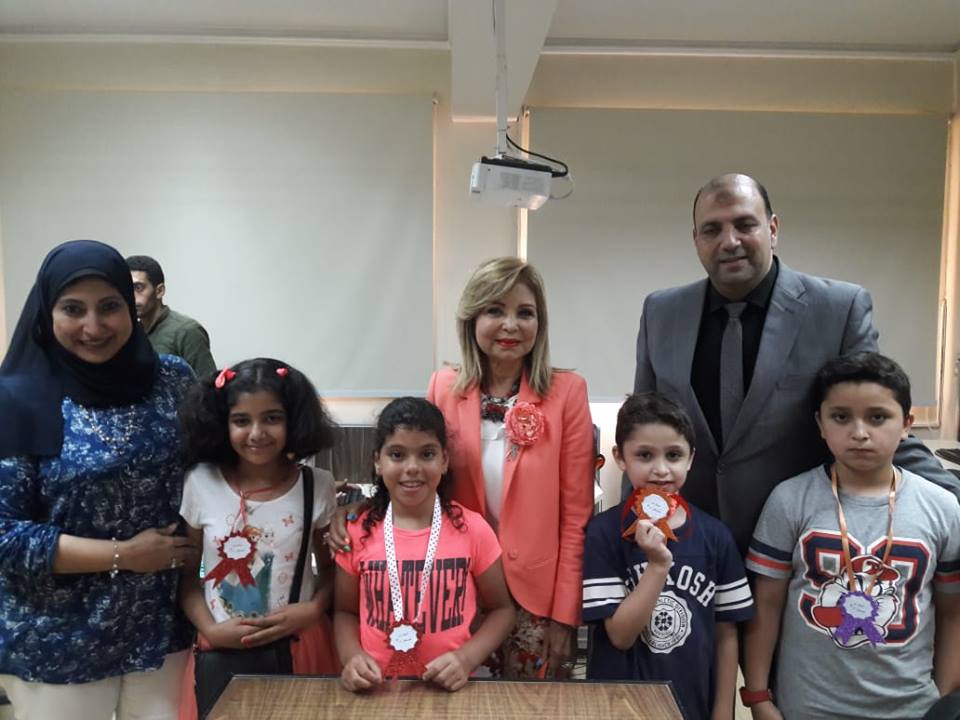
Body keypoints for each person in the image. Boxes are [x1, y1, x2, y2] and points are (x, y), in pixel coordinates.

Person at [633, 173, 959, 554]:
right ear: (696, 239)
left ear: (772, 229)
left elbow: (876, 419)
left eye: (744, 224)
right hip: (685, 546)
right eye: (712, 229)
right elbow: (639, 432)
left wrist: (953, 492)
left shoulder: (838, 309)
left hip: (799, 549)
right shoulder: (661, 312)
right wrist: (626, 533)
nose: (729, 241)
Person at [330, 257, 595, 678]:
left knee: (531, 705)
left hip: (536, 598)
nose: (510, 325)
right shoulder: (444, 387)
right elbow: (418, 472)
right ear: (472, 318)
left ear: (540, 324)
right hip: (453, 590)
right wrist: (354, 512)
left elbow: (576, 515)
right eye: (495, 310)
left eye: (525, 313)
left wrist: (566, 614)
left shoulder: (567, 393)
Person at [0, 240, 200, 720]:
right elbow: (4, 534)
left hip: (159, 626)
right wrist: (125, 555)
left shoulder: (173, 380)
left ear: (131, 307)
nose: (93, 326)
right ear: (47, 312)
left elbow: (214, 467)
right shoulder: (16, 398)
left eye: (110, 306)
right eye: (73, 309)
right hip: (58, 636)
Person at [743, 352, 960, 719]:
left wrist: (944, 697)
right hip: (809, 708)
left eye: (878, 417)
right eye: (841, 417)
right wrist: (758, 695)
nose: (859, 433)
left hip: (912, 708)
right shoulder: (789, 499)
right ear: (820, 423)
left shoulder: (942, 507)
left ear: (906, 424)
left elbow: (952, 613)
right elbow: (766, 605)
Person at [177, 358, 340, 719]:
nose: (256, 433)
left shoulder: (316, 486)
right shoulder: (200, 483)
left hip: (300, 645)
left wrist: (313, 609)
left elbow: (332, 571)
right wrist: (210, 629)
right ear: (222, 422)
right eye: (241, 420)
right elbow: (187, 578)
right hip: (221, 650)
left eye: (272, 418)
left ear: (293, 420)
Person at [583, 393, 753, 719]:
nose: (660, 470)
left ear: (691, 458)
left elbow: (726, 634)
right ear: (620, 457)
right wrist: (658, 566)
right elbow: (620, 635)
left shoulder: (716, 536)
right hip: (619, 707)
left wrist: (723, 711)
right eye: (644, 455)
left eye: (674, 455)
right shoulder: (604, 532)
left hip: (692, 705)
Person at [333, 397, 515, 692]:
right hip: (377, 691)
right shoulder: (356, 532)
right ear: (378, 461)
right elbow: (344, 611)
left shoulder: (473, 529)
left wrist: (466, 659)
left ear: (444, 461)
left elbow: (502, 610)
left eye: (427, 454)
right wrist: (351, 657)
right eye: (397, 455)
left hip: (450, 689)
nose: (412, 467)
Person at [126, 255, 216, 377]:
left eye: (138, 288)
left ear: (159, 291)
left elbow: (208, 383)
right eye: (127, 288)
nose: (131, 296)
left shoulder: (187, 331)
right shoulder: (130, 333)